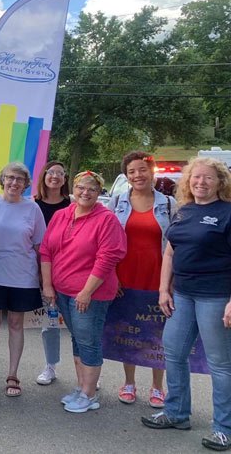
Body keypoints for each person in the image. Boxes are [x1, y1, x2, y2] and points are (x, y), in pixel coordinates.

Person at [142, 157, 231, 452]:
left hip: (215, 297)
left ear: (220, 182)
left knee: (220, 364)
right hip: (182, 295)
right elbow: (170, 252)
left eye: (208, 178)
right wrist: (163, 289)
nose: (200, 182)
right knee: (174, 353)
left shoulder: (227, 213)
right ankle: (177, 413)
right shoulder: (184, 211)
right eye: (196, 177)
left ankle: (224, 429)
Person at [41, 171, 126, 413]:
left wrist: (86, 291)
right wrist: (48, 285)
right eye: (80, 187)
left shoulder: (106, 219)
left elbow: (108, 257)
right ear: (73, 189)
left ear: (99, 193)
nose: (85, 193)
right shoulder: (62, 215)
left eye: (92, 189)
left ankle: (89, 394)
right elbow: (46, 250)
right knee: (77, 339)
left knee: (88, 341)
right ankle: (81, 387)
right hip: (63, 291)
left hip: (90, 294)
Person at [108, 151, 176, 408]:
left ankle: (158, 386)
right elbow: (107, 241)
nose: (137, 175)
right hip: (125, 275)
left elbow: (177, 244)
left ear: (152, 171)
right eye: (132, 171)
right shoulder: (117, 202)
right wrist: (111, 275)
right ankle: (129, 382)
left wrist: (171, 282)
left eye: (142, 170)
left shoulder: (169, 204)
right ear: (126, 175)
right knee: (129, 330)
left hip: (158, 277)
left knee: (159, 333)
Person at [0, 163, 46, 398]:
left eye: (20, 179)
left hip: (22, 276)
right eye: (10, 178)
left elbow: (40, 247)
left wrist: (45, 278)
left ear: (26, 184)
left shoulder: (33, 209)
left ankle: (13, 374)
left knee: (16, 323)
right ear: (2, 179)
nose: (14, 183)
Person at [33, 161, 71, 386]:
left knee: (79, 325)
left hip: (69, 270)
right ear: (44, 176)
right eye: (51, 172)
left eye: (60, 173)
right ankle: (50, 366)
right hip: (41, 271)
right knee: (50, 323)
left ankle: (86, 369)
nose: (55, 176)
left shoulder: (73, 204)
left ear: (65, 179)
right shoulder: (33, 205)